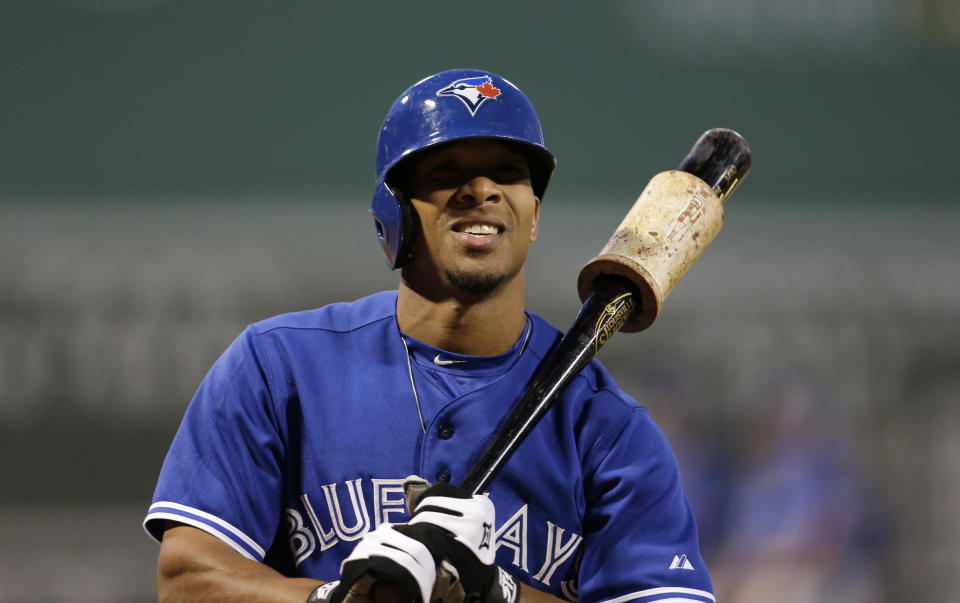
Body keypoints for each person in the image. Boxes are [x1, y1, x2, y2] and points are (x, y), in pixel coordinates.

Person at [144, 69, 714, 603]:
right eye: (447, 172)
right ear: (392, 216)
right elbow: (188, 578)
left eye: (508, 174)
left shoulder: (605, 426)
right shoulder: (280, 367)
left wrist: (498, 593)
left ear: (533, 214)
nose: (483, 190)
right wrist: (331, 599)